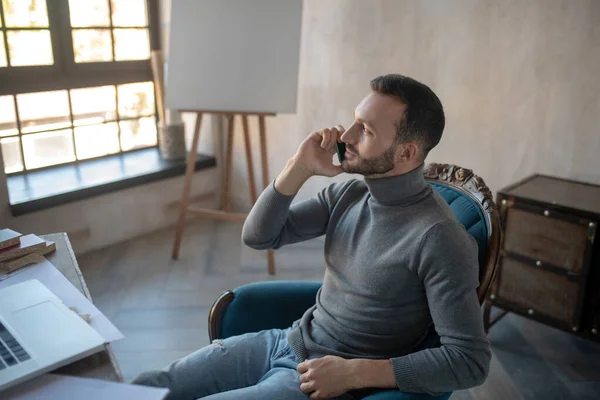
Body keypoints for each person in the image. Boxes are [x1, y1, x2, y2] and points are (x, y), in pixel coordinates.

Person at [132, 74, 491, 400]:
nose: (346, 136)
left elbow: (469, 361)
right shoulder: (349, 195)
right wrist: (299, 168)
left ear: (407, 152)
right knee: (148, 386)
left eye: (364, 130)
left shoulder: (441, 238)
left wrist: (354, 373)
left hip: (320, 381)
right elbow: (258, 236)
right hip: (284, 342)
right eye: (354, 121)